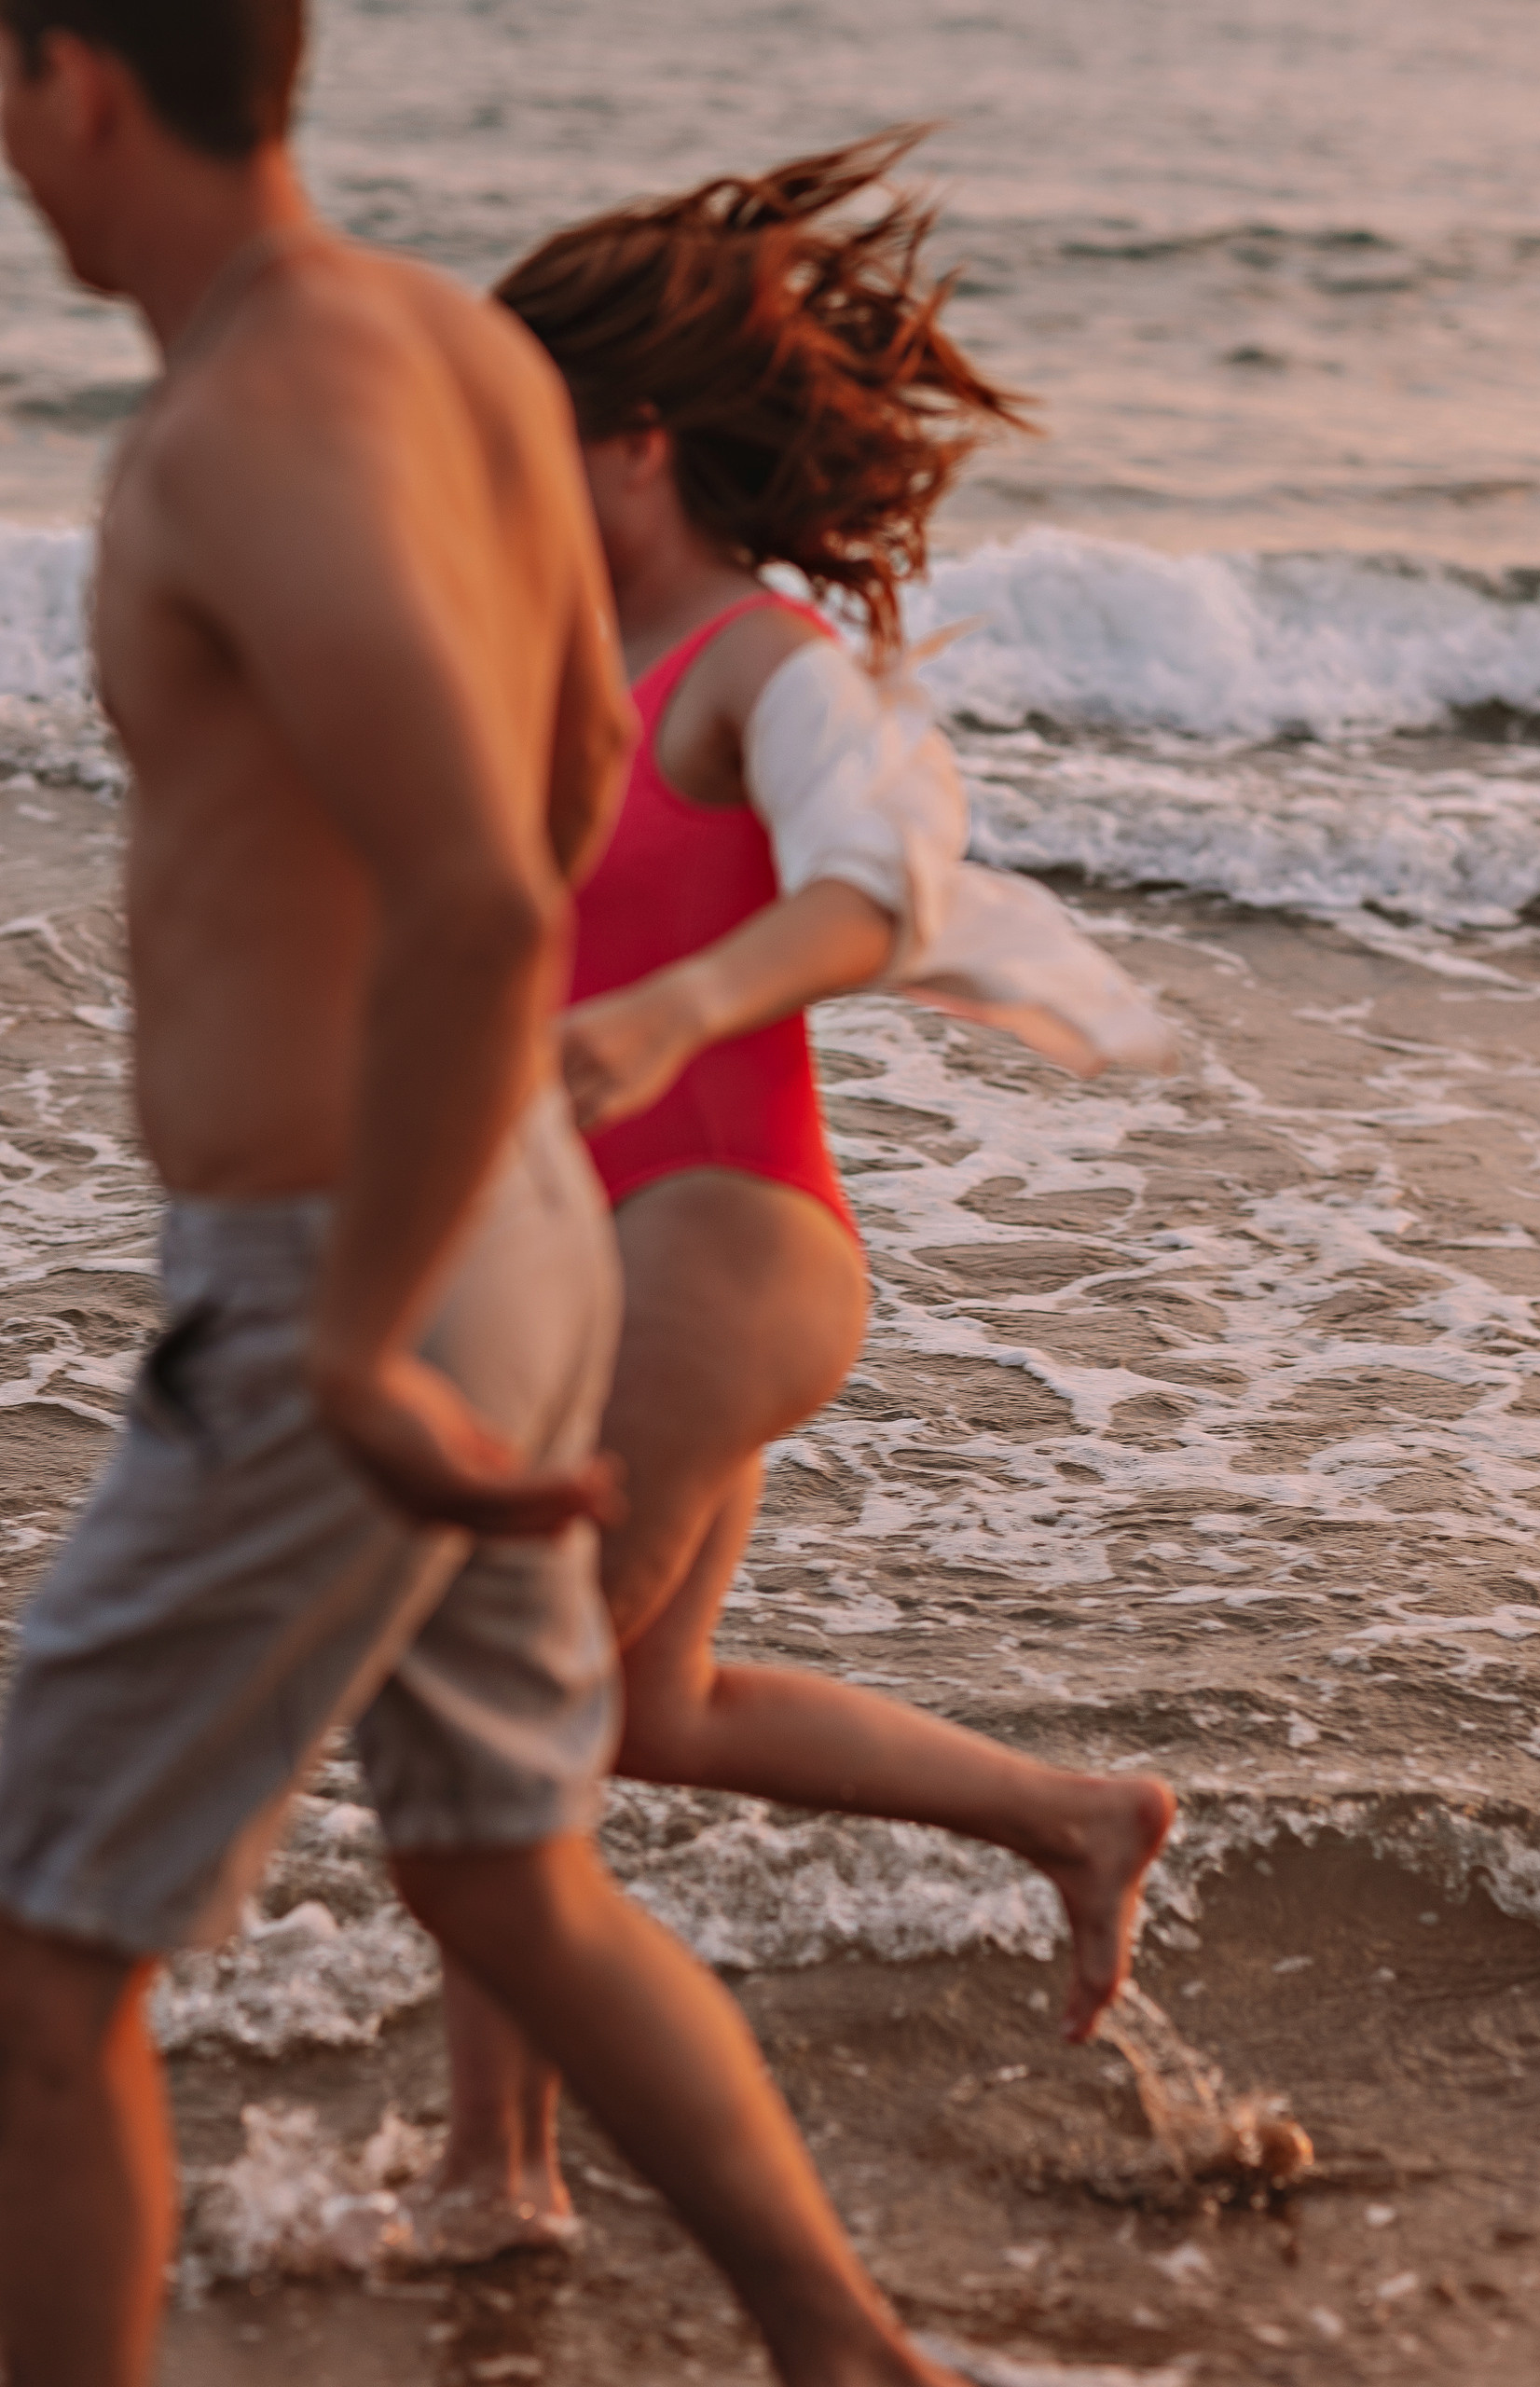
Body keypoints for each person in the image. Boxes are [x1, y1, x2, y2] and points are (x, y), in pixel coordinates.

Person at [0, 16, 975, 2387]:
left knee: (36, 1943)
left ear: (79, 80)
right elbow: (572, 759)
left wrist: (349, 1332)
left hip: (349, 1256)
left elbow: (472, 874)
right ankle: (848, 2353)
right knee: (500, 1863)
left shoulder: (256, 407)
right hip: (517, 1216)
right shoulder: (443, 352)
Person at [419, 132, 1177, 2262]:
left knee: (510, 1712)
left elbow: (869, 886)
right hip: (618, 1248)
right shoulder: (557, 665)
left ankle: (500, 2179)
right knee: (648, 1709)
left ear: (636, 442)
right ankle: (1072, 1814)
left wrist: (681, 1006)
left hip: (722, 1235)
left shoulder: (756, 667)